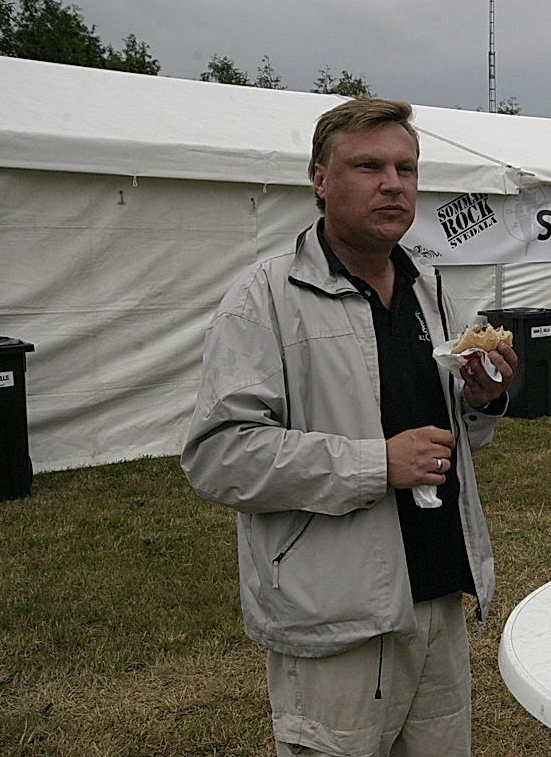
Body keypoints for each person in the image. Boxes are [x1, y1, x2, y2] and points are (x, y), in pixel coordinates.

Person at [181, 97, 517, 756]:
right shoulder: (264, 298)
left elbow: (455, 441)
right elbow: (218, 455)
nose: (393, 183)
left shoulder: (431, 290)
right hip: (338, 615)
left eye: (407, 167)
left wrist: (482, 399)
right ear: (319, 179)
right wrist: (375, 464)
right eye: (368, 166)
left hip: (439, 598)